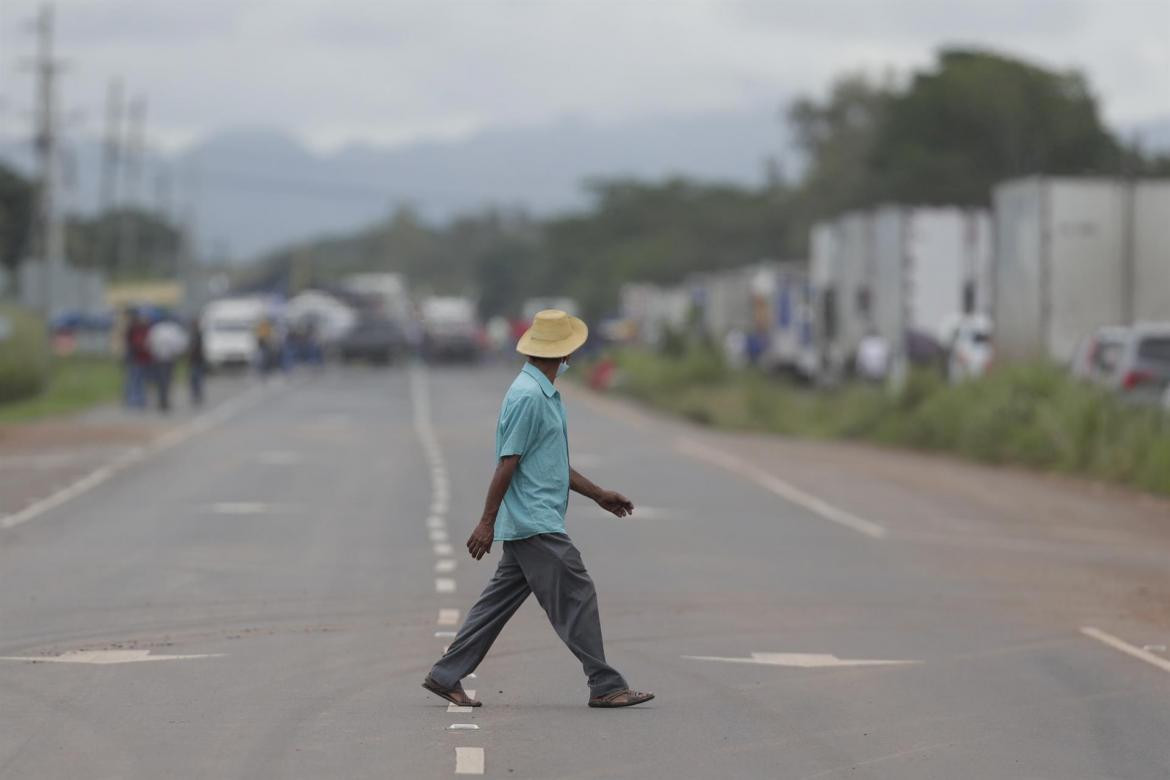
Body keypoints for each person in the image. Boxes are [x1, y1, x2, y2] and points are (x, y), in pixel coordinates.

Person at [422, 309, 654, 709]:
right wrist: (486, 522)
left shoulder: (543, 392)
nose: (571, 359)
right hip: (534, 521)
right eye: (570, 352)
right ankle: (605, 684)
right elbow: (507, 462)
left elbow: (548, 463)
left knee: (496, 603)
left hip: (532, 518)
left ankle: (446, 675)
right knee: (578, 593)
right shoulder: (529, 396)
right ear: (561, 354)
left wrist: (598, 494)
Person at [123, 309, 152, 410]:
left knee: (141, 380)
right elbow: (131, 345)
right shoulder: (133, 329)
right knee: (133, 379)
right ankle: (132, 400)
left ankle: (140, 400)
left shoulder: (147, 329)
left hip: (144, 359)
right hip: (135, 359)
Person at [188, 317, 207, 407]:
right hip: (194, 361)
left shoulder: (198, 334)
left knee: (197, 379)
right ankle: (195, 394)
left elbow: (197, 348)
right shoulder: (192, 334)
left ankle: (197, 394)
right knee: (194, 379)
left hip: (197, 360)